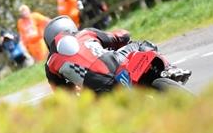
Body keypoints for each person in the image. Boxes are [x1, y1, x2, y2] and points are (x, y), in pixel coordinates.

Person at [41, 15, 190, 95]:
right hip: (117, 66)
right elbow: (121, 37)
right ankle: (169, 69)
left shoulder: (51, 63)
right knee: (139, 44)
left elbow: (62, 94)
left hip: (98, 93)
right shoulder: (86, 33)